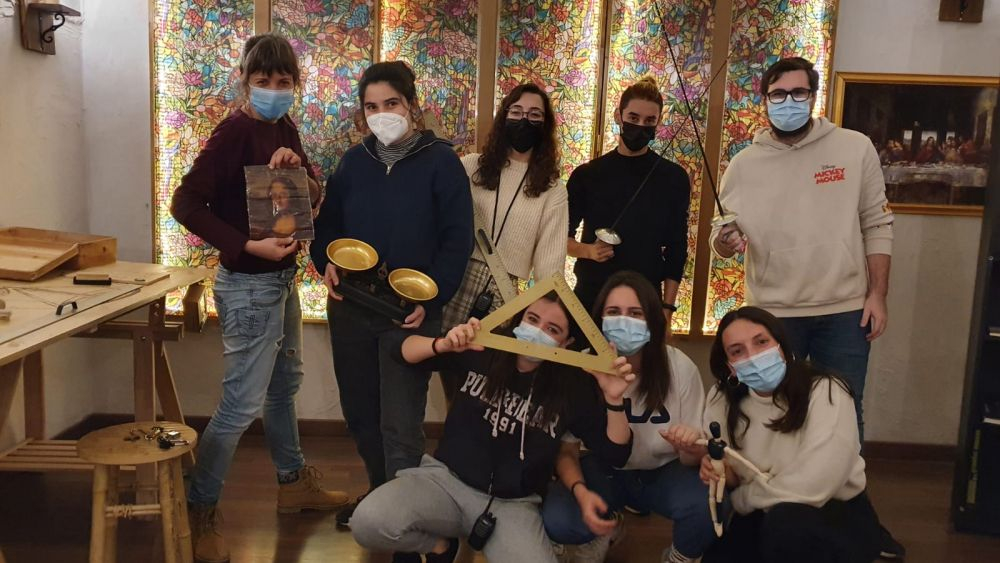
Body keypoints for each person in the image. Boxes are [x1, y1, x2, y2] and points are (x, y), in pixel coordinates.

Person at [710, 57, 901, 558]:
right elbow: (720, 237)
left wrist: (877, 294)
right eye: (779, 94)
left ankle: (856, 522)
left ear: (814, 97)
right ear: (764, 99)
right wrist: (725, 242)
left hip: (845, 309)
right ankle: (779, 509)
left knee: (846, 417)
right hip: (773, 314)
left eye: (799, 93)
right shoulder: (743, 164)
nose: (789, 102)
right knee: (774, 413)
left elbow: (877, 224)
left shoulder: (854, 148)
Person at [170, 33, 347, 563]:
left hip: (281, 281)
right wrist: (247, 245)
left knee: (283, 386)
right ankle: (199, 509)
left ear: (295, 84)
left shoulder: (284, 126)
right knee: (239, 404)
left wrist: (301, 175)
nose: (273, 89)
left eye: (283, 81)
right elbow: (185, 203)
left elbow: (312, 193)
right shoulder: (233, 132)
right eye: (263, 80)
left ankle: (292, 483)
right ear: (245, 80)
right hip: (248, 284)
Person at [309, 61, 473, 535]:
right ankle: (381, 495)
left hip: (411, 314)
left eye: (392, 103)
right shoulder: (353, 162)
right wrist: (325, 261)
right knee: (361, 413)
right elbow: (327, 227)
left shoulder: (442, 162)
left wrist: (433, 298)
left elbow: (457, 239)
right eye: (371, 107)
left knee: (400, 422)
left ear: (412, 106)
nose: (382, 114)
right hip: (351, 309)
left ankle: (407, 521)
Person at [349, 292, 636, 563]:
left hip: (514, 505)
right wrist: (443, 344)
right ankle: (442, 546)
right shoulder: (484, 347)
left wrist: (614, 400)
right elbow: (400, 350)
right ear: (519, 319)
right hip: (446, 483)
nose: (537, 332)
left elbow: (616, 452)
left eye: (553, 329)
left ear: (566, 343)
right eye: (532, 319)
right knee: (367, 521)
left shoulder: (571, 387)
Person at [541, 271, 712, 563]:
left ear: (652, 320)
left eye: (635, 313)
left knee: (709, 503)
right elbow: (567, 450)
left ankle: (680, 557)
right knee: (559, 518)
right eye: (613, 312)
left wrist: (689, 446)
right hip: (603, 470)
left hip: (664, 471)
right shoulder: (582, 366)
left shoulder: (680, 368)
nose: (624, 322)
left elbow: (695, 455)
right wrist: (580, 492)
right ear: (599, 319)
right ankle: (609, 527)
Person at [694, 306, 882, 563]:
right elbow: (732, 469)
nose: (753, 356)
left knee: (786, 526)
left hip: (831, 512)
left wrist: (742, 500)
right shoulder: (721, 398)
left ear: (782, 346)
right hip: (762, 510)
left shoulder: (826, 391)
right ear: (730, 367)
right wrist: (720, 471)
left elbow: (814, 486)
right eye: (737, 351)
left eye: (761, 342)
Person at [439, 83, 568, 404]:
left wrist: (545, 313)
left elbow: (550, 265)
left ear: (546, 125)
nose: (525, 120)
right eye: (517, 112)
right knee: (443, 367)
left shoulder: (552, 188)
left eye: (535, 115)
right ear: (503, 117)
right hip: (455, 277)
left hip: (503, 294)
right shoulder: (471, 165)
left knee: (478, 387)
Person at [567, 76, 691, 323]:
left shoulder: (673, 178)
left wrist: (667, 309)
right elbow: (561, 239)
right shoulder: (587, 174)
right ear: (618, 116)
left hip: (644, 302)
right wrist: (588, 251)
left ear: (658, 122)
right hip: (591, 298)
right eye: (633, 118)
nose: (640, 126)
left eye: (649, 121)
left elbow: (677, 249)